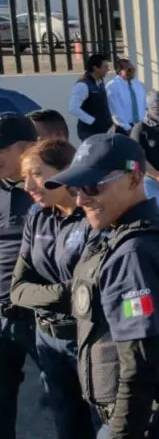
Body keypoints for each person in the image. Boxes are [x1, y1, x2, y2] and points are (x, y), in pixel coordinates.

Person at [45, 133, 159, 438]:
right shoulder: (148, 229)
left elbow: (141, 361)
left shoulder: (135, 253)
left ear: (134, 179)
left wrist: (121, 432)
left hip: (138, 419)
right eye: (75, 188)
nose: (80, 199)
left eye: (93, 186)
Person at [10, 139, 98, 439]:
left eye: (36, 174)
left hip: (89, 341)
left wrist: (52, 294)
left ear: (66, 171)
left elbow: (91, 294)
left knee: (106, 425)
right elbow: (18, 289)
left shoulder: (93, 215)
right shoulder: (37, 216)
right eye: (24, 177)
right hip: (47, 340)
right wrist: (66, 293)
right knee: (67, 424)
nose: (27, 186)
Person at [0, 114, 40, 437]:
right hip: (2, 317)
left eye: (1, 149)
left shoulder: (54, 190)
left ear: (27, 149)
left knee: (70, 398)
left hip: (44, 321)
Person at [68, 54, 113, 142]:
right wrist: (93, 121)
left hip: (103, 130)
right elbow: (73, 108)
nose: (108, 69)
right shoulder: (83, 85)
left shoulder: (100, 81)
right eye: (105, 67)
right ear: (95, 68)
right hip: (89, 132)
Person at [105, 58, 148, 135]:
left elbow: (144, 104)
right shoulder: (112, 86)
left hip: (141, 126)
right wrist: (128, 129)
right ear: (119, 71)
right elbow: (115, 112)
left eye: (132, 69)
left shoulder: (137, 84)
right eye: (128, 70)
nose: (131, 72)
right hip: (124, 128)